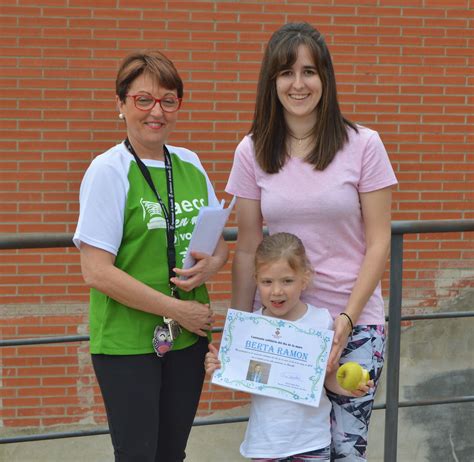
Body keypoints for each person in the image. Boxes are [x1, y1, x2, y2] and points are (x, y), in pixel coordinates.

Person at [225, 23, 398, 461]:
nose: (298, 84)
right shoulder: (252, 150)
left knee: (345, 450)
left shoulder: (364, 145)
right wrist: (241, 330)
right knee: (291, 448)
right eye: (286, 73)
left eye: (309, 72)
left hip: (354, 323)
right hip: (285, 327)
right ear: (272, 81)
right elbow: (247, 247)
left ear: (326, 78)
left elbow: (379, 242)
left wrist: (345, 319)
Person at [73, 50, 228, 461]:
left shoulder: (190, 163)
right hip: (127, 344)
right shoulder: (108, 170)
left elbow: (219, 244)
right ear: (121, 104)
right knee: (139, 455)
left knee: (171, 454)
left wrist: (211, 264)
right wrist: (178, 310)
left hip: (187, 341)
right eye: (143, 100)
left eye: (168, 100)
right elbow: (96, 272)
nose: (156, 111)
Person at [205, 232, 374, 461]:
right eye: (267, 282)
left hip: (311, 442)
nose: (277, 291)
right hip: (265, 444)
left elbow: (325, 377)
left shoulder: (321, 321)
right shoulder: (250, 327)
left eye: (287, 281)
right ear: (256, 279)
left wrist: (348, 388)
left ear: (305, 279)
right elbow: (241, 377)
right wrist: (218, 367)